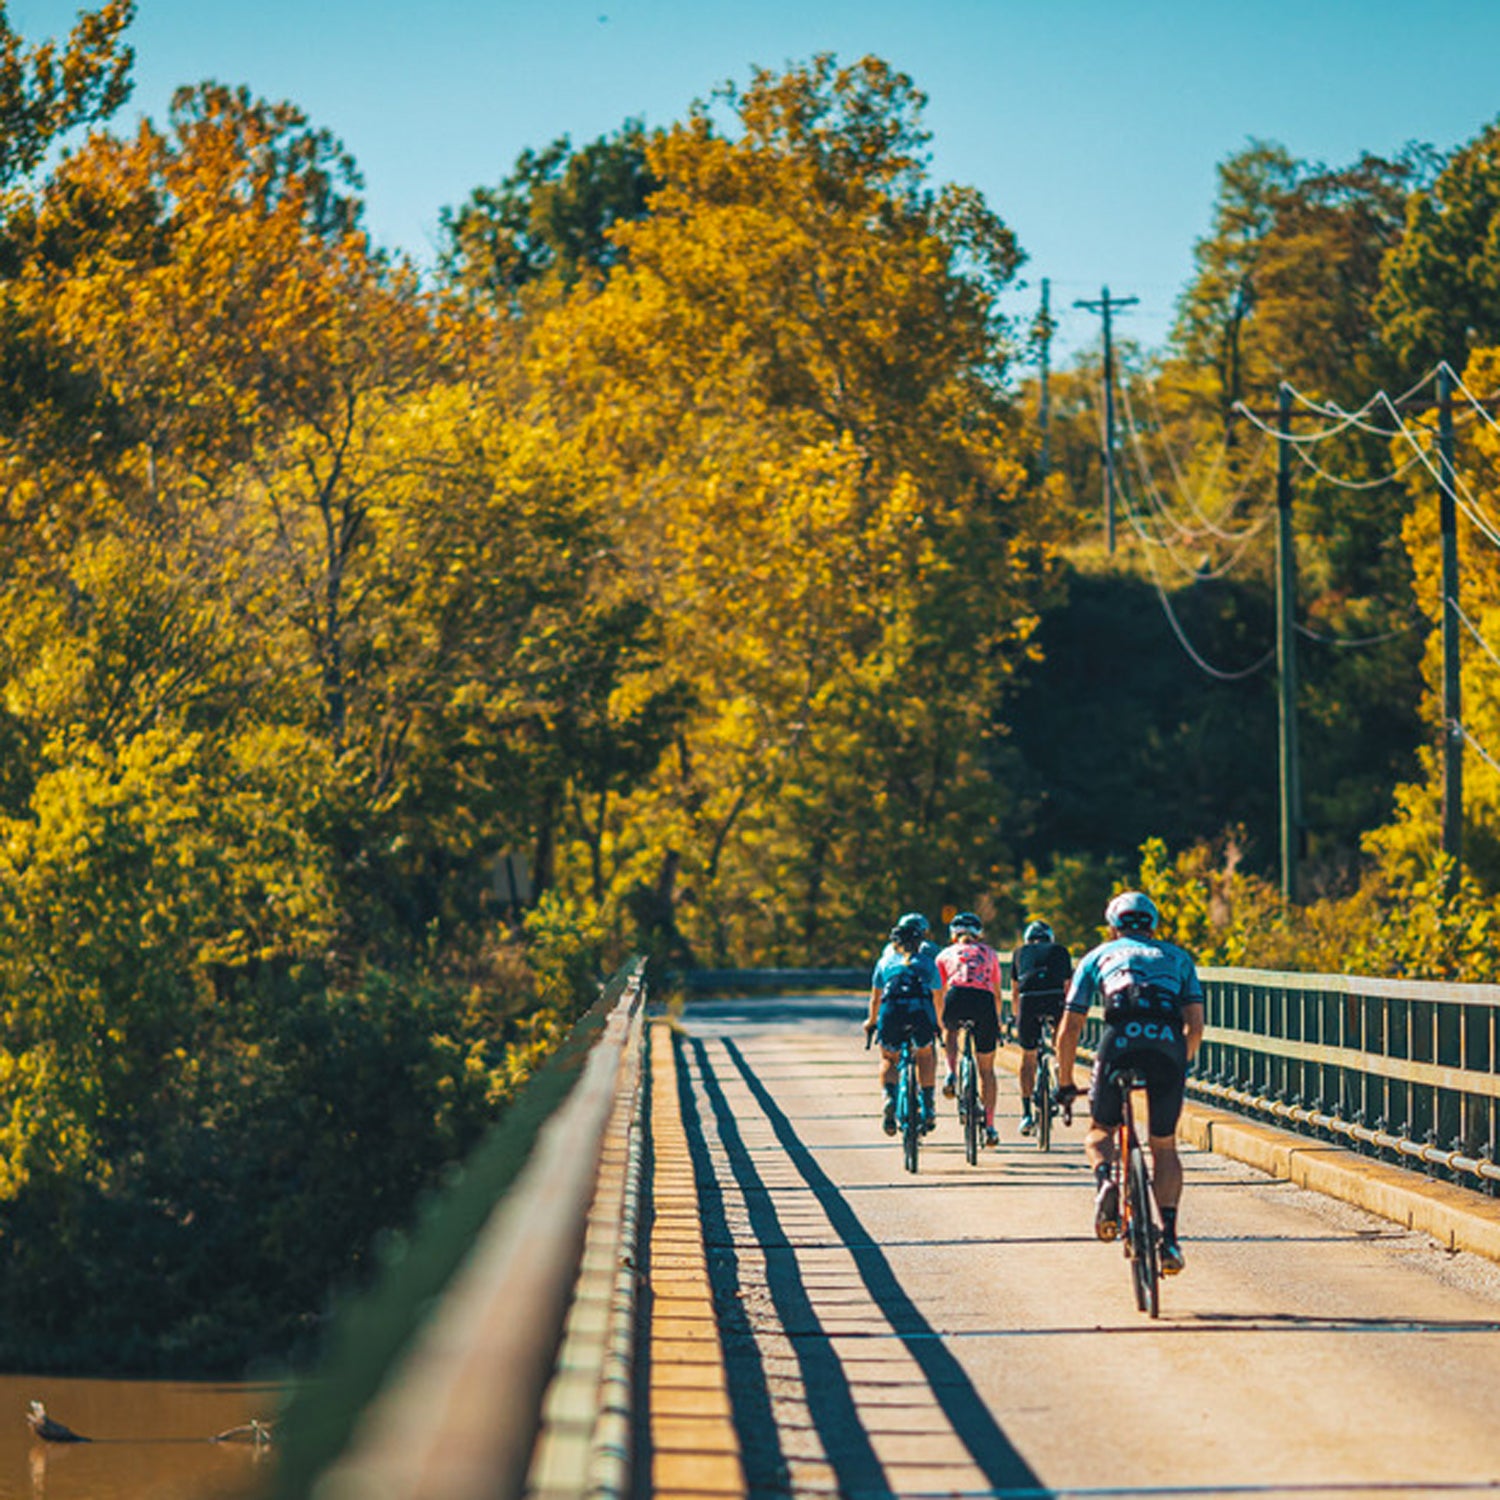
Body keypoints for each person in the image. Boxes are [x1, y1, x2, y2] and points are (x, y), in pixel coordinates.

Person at [1054, 890, 1204, 1275]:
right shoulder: (1177, 958)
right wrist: (1176, 1065)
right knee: (1164, 1146)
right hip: (1168, 1043)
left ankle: (1106, 1181)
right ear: (1153, 925)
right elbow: (1196, 1026)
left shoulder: (1098, 956)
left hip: (1119, 1039)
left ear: (1113, 926)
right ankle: (1168, 1236)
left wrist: (1066, 1082)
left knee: (1100, 1131)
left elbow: (1070, 1027)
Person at [864, 911, 941, 1136]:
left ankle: (889, 1096)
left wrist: (871, 1022)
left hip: (891, 1014)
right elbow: (937, 999)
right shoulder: (927, 963)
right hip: (919, 1013)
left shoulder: (884, 962)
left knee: (889, 1057)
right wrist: (939, 1026)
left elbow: (876, 998)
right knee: (925, 1054)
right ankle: (927, 1106)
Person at [934, 912, 1005, 1147]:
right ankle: (991, 1126)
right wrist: (997, 1021)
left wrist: (940, 1020)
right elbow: (996, 992)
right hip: (983, 1002)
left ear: (954, 935)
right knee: (986, 1069)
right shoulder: (990, 953)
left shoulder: (944, 954)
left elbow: (939, 990)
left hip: (956, 998)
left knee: (951, 1031)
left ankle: (951, 1072)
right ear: (978, 935)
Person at [1010, 918, 1074, 1137]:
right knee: (1059, 1043)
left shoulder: (1019, 953)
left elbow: (1016, 991)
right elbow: (1069, 988)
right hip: (1055, 998)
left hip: (1029, 1001)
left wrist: (1015, 1018)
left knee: (1028, 1057)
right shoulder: (1061, 951)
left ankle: (1026, 1113)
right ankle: (1058, 1076)